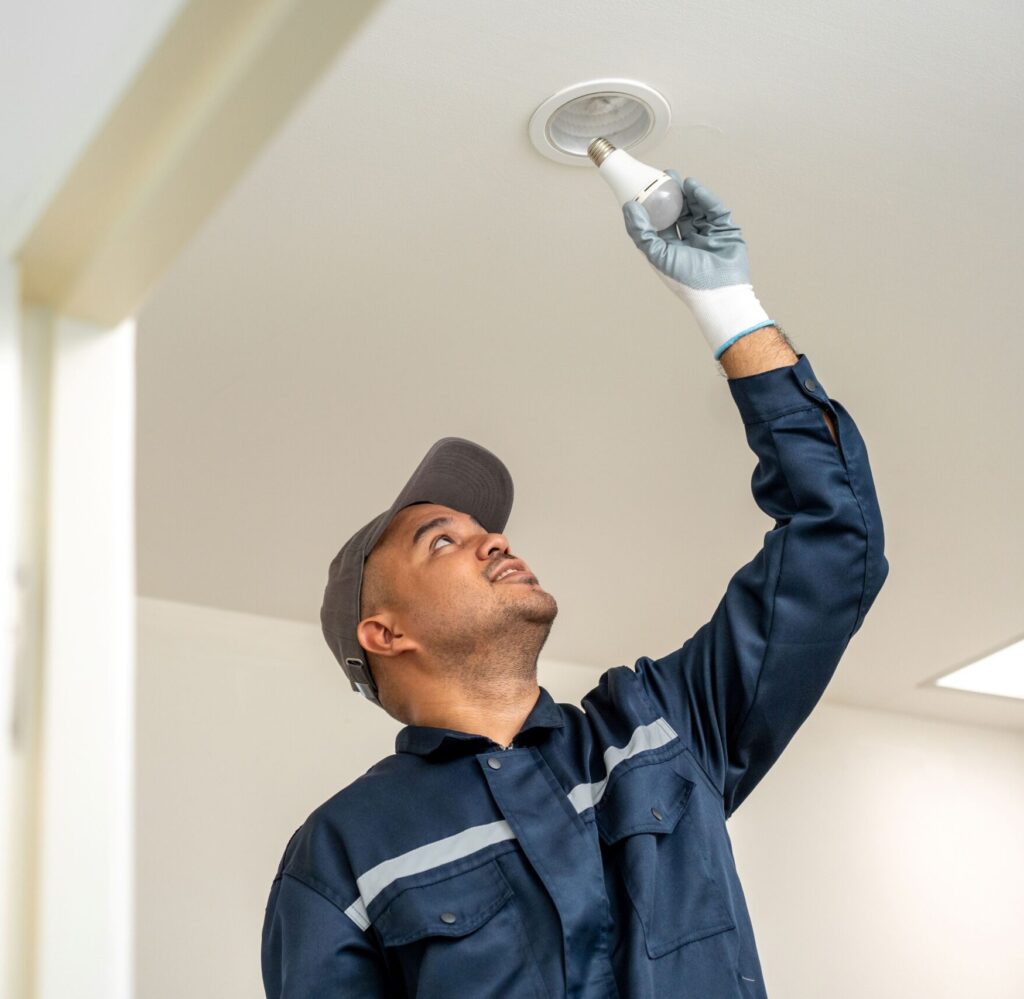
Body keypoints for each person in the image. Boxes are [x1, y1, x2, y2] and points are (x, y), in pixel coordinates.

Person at [260, 172, 889, 998]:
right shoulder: (338, 856)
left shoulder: (662, 729)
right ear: (384, 632)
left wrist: (728, 305)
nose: (495, 540)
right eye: (442, 539)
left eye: (487, 528)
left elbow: (835, 542)